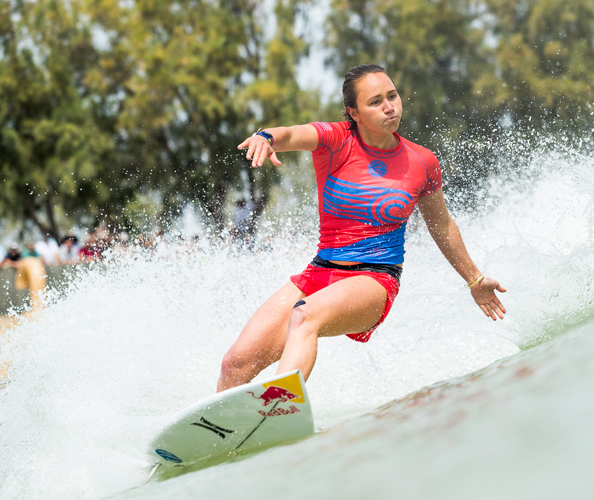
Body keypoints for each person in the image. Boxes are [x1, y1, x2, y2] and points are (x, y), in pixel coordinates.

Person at [216, 64, 507, 392]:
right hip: (321, 271)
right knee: (235, 362)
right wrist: (266, 136)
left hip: (375, 278)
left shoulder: (422, 161)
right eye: (375, 101)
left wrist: (475, 279)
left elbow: (441, 224)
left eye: (393, 96)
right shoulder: (335, 140)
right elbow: (289, 133)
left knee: (303, 316)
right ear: (353, 112)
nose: (389, 107)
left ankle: (278, 407)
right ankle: (219, 431)